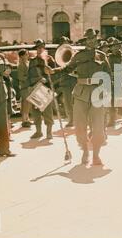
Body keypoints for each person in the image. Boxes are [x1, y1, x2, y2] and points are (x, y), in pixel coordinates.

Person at [47, 29, 110, 166]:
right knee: (80, 126)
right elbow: (67, 69)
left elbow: (109, 76)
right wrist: (54, 71)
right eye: (89, 39)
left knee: (98, 126)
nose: (92, 41)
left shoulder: (102, 56)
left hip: (98, 93)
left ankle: (96, 155)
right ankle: (85, 150)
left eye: (94, 38)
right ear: (86, 41)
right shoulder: (78, 56)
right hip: (81, 93)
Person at [27, 39, 55, 139]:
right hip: (36, 88)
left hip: (46, 88)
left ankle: (49, 132)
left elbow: (55, 73)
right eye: (38, 48)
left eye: (41, 47)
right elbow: (29, 76)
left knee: (48, 111)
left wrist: (47, 79)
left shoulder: (49, 59)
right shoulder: (32, 61)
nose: (40, 49)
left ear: (44, 48)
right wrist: (37, 80)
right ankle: (38, 132)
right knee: (36, 112)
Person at [107, 38, 122, 127]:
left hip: (120, 81)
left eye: (117, 46)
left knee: (121, 102)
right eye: (114, 46)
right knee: (111, 102)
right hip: (109, 81)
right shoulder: (108, 57)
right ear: (111, 48)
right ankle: (111, 121)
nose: (116, 48)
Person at [57, 37, 77, 128]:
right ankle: (71, 120)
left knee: (77, 101)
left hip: (74, 80)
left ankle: (79, 118)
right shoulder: (58, 54)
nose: (64, 44)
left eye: (65, 42)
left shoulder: (74, 52)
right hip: (65, 81)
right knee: (67, 102)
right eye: (62, 43)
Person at [17, 49, 32, 128]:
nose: (27, 55)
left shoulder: (28, 63)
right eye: (26, 54)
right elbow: (20, 77)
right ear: (22, 56)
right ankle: (24, 120)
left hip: (29, 86)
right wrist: (28, 77)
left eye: (27, 54)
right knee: (25, 103)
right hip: (24, 86)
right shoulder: (21, 65)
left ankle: (27, 119)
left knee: (28, 103)